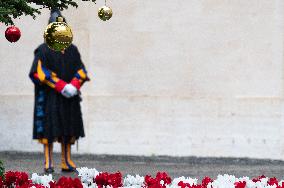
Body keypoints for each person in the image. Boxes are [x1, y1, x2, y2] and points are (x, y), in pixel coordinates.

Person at [29, 9, 89, 173]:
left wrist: (74, 85)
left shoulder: (72, 49)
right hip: (50, 97)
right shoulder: (43, 50)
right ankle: (48, 162)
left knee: (70, 128)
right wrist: (61, 86)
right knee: (48, 129)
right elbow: (38, 72)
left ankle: (66, 160)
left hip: (70, 98)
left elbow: (81, 70)